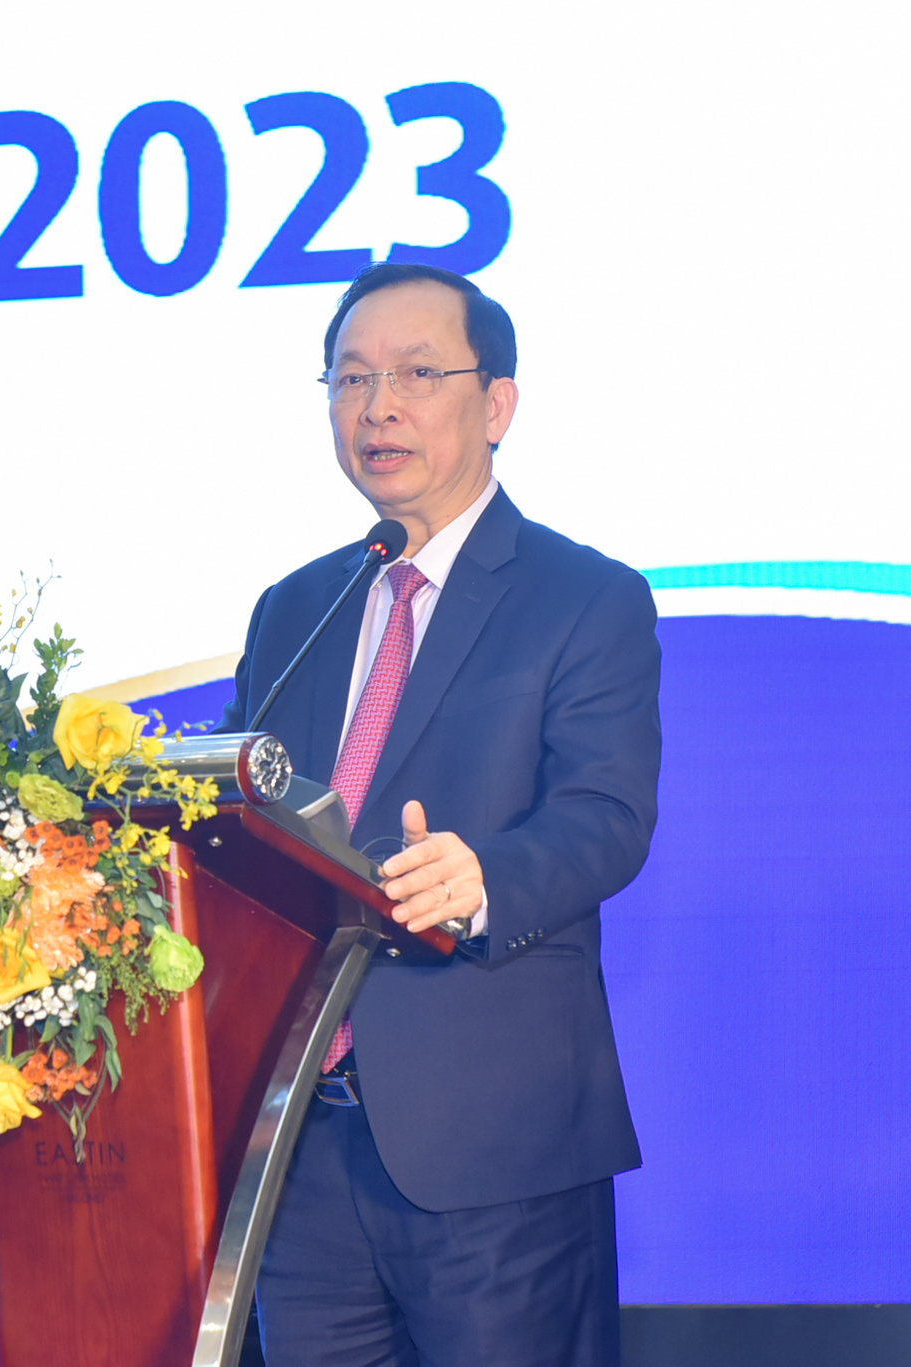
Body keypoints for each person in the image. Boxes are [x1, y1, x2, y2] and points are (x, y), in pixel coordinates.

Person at [217, 262, 661, 1367]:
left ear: (496, 403)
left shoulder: (584, 596)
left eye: (416, 374)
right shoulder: (294, 608)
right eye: (350, 379)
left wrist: (484, 876)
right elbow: (238, 817)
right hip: (296, 1145)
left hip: (492, 1142)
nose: (377, 407)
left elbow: (605, 813)